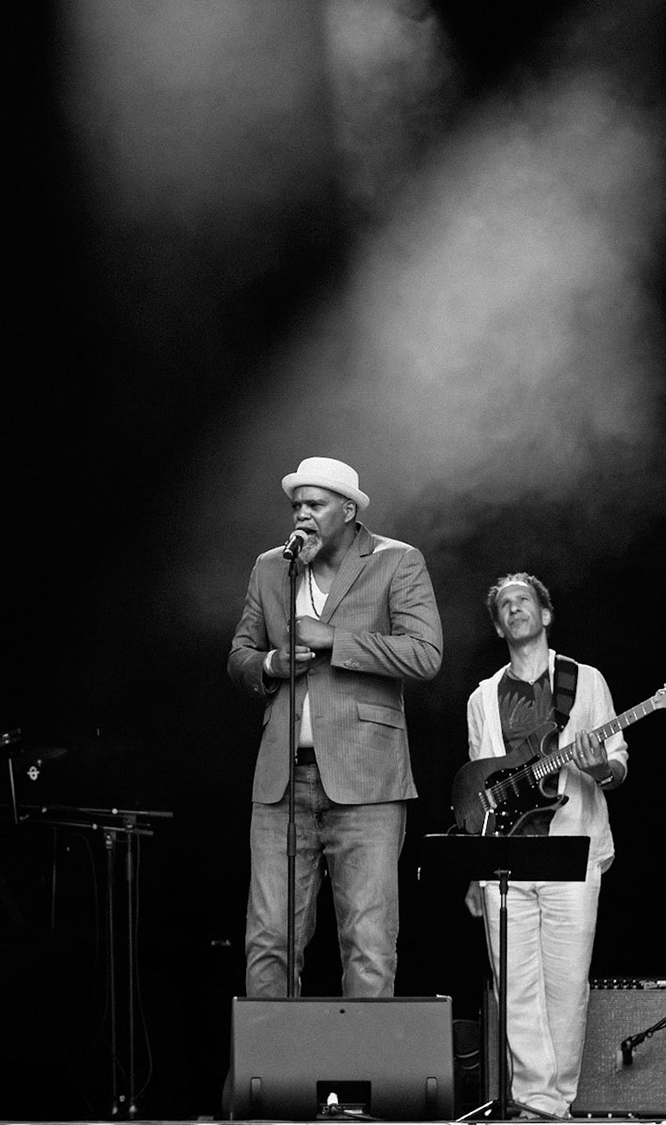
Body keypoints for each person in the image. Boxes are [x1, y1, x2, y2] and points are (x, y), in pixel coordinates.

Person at [228, 456, 443, 997]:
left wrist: (333, 640)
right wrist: (272, 666)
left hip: (367, 783)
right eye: (297, 505)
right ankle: (273, 1079)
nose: (302, 515)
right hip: (283, 782)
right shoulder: (271, 567)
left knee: (368, 946)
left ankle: (362, 1080)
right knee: (269, 942)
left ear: (348, 510)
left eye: (315, 505)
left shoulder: (397, 561)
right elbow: (239, 654)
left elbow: (424, 654)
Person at [463, 573, 626, 1119]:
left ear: (545, 614)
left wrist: (597, 764)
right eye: (505, 605)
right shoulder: (483, 698)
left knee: (566, 985)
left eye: (524, 601)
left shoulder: (585, 681)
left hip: (570, 850)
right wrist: (473, 868)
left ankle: (557, 1103)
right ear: (497, 624)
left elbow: (617, 763)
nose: (515, 609)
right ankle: (534, 1102)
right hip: (504, 858)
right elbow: (478, 791)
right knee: (514, 987)